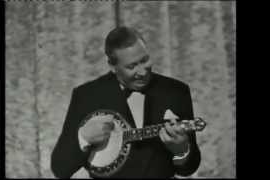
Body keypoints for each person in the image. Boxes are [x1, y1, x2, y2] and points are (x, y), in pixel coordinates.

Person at [51, 26, 201, 178]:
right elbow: (60, 169)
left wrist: (181, 150)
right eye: (132, 66)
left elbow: (189, 168)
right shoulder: (86, 96)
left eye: (145, 60)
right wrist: (83, 138)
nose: (142, 72)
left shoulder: (176, 91)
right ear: (112, 66)